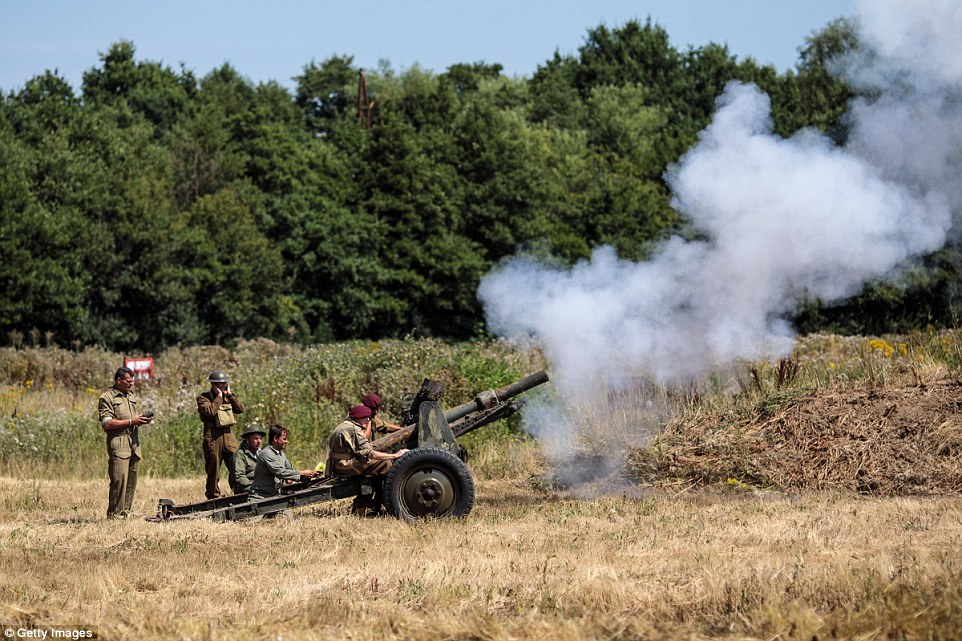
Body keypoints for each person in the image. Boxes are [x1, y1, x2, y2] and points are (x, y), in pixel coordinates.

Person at [325, 405, 409, 515]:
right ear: (358, 418)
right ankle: (386, 500)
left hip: (338, 464)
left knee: (378, 466)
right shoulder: (354, 430)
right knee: (386, 464)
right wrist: (395, 455)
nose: (369, 420)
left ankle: (371, 503)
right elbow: (370, 453)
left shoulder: (345, 425)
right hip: (344, 465)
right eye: (366, 417)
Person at [98, 366, 154, 519]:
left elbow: (131, 418)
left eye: (132, 381)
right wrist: (131, 421)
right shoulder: (107, 397)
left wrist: (140, 420)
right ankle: (114, 516)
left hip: (134, 442)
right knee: (119, 480)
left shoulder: (129, 395)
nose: (131, 384)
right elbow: (107, 424)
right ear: (119, 380)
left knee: (131, 480)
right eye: (128, 381)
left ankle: (125, 513)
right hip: (119, 442)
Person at [196, 370, 244, 500]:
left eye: (225, 383)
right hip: (213, 436)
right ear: (213, 384)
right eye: (220, 384)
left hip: (228, 435)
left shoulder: (228, 396)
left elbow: (240, 409)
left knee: (236, 464)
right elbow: (210, 411)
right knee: (214, 467)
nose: (223, 385)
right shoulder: (203, 398)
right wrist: (219, 397)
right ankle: (213, 496)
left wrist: (230, 395)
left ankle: (239, 491)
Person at [249, 424, 317, 500]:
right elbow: (281, 472)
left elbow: (290, 470)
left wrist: (307, 476)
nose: (286, 441)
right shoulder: (266, 453)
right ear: (275, 438)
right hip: (260, 497)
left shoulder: (281, 454)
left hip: (274, 495)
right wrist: (301, 473)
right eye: (284, 439)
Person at [230, 425, 265, 495]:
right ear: (247, 440)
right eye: (256, 438)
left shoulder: (260, 454)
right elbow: (239, 477)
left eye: (260, 438)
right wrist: (256, 487)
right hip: (247, 490)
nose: (259, 441)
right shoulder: (240, 455)